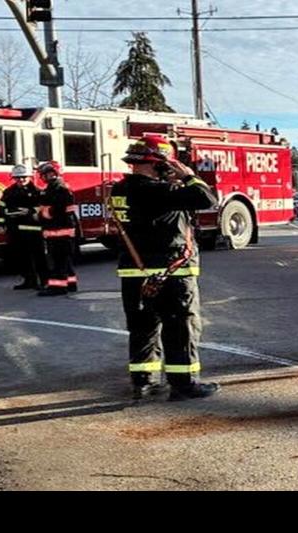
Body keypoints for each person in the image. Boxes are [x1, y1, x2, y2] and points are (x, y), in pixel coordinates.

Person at [110, 134, 220, 400]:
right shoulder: (159, 191)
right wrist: (188, 176)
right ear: (158, 163)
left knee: (142, 328)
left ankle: (143, 382)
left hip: (134, 272)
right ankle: (184, 384)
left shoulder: (120, 190)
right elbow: (207, 199)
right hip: (171, 272)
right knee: (180, 328)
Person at [35, 160, 78, 296]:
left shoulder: (59, 189)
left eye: (44, 174)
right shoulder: (56, 187)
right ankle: (70, 283)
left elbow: (60, 209)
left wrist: (43, 213)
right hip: (60, 230)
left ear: (51, 174)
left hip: (59, 231)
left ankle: (57, 287)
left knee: (57, 261)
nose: (42, 177)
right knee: (65, 260)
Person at [0, 163, 43, 289]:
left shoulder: (37, 192)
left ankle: (44, 281)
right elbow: (0, 208)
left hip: (33, 230)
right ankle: (29, 280)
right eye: (18, 178)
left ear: (30, 177)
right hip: (15, 230)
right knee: (21, 257)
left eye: (24, 177)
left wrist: (30, 211)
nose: (21, 180)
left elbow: (43, 208)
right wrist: (0, 224)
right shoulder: (8, 192)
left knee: (38, 257)